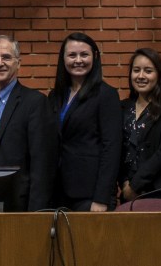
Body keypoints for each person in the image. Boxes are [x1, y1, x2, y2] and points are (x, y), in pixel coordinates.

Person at [0, 35, 57, 211]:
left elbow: (43, 164)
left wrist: (37, 213)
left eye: (6, 57)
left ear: (18, 63)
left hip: (21, 205)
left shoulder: (35, 102)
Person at [49, 32, 121, 212]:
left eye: (84, 54)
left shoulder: (106, 94)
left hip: (91, 195)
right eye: (72, 55)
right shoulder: (55, 96)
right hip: (58, 190)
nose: (78, 60)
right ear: (63, 59)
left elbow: (111, 148)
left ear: (94, 57)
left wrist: (102, 198)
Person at [118, 48, 161, 203]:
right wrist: (124, 183)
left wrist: (135, 185)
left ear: (159, 75)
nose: (141, 76)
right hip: (129, 194)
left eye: (148, 71)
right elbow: (118, 150)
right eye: (136, 70)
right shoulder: (122, 107)